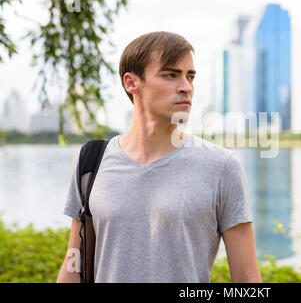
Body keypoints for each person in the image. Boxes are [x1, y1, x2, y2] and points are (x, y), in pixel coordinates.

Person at [56, 31, 262, 283]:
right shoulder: (91, 160)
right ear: (131, 83)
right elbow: (74, 263)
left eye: (190, 76)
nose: (186, 87)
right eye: (171, 75)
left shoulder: (221, 166)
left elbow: (247, 279)